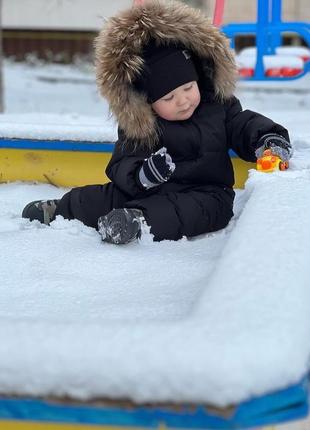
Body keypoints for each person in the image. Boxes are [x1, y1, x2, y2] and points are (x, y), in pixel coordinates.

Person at [22, 0, 292, 244]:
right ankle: (62, 209)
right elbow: (121, 164)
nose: (184, 100)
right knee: (106, 196)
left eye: (188, 87)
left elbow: (244, 125)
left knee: (184, 212)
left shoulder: (217, 106)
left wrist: (268, 139)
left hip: (207, 194)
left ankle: (135, 222)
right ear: (148, 102)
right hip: (152, 188)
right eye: (169, 97)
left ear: (198, 78)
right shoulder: (141, 124)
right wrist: (143, 176)